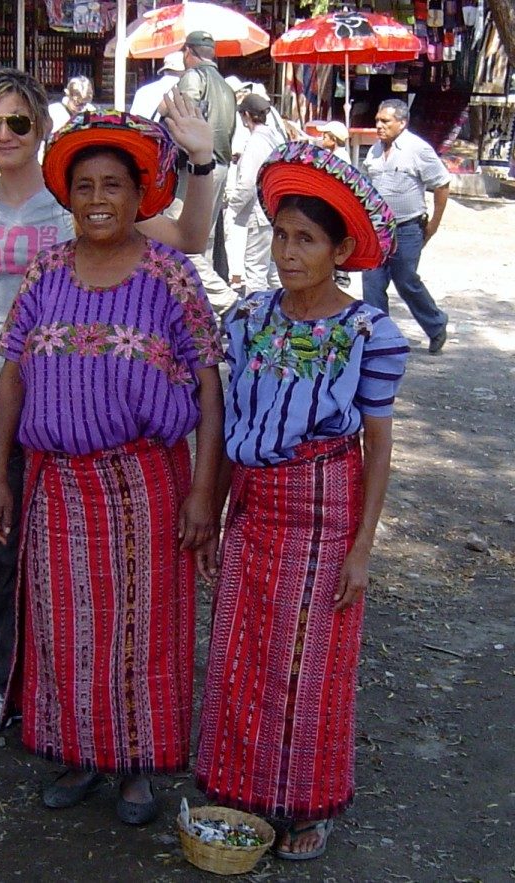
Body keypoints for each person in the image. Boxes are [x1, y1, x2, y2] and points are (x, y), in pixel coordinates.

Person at [0, 67, 218, 734]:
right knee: (4, 547)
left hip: (108, 421)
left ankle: (112, 731)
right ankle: (9, 685)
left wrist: (203, 158)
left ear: (41, 127)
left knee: (113, 584)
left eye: (18, 121)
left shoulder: (93, 210)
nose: (3, 134)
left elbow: (192, 241)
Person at [0, 111, 224, 825]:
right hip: (56, 483)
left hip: (146, 483)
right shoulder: (46, 270)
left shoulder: (170, 274)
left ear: (140, 193)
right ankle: (79, 752)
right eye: (84, 184)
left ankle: (135, 767)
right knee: (66, 626)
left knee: (142, 629)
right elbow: (13, 377)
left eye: (113, 185)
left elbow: (210, 385)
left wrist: (204, 490)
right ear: (67, 194)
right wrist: (0, 475)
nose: (97, 198)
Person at [196, 141, 410, 861]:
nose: (289, 253)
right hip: (253, 504)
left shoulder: (367, 333)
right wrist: (215, 510)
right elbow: (227, 426)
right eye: (282, 235)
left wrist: (362, 547)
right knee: (240, 645)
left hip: (325, 507)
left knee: (307, 656)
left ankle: (307, 801)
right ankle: (244, 787)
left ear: (341, 248)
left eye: (307, 239)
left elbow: (376, 448)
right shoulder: (250, 319)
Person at [361, 98, 450, 355]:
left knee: (406, 281)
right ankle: (380, 337)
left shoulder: (418, 149)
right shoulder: (374, 151)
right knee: (372, 284)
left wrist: (433, 224)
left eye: (385, 121)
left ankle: (436, 324)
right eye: (377, 120)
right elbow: (366, 187)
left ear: (402, 123)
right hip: (377, 229)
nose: (379, 125)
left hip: (408, 228)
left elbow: (442, 184)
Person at [174, 31, 239, 312]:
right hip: (220, 164)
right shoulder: (225, 86)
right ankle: (204, 310)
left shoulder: (193, 77)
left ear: (189, 52)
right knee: (205, 240)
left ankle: (228, 303)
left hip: (197, 166)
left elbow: (184, 120)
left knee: (182, 237)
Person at [227, 92, 286, 296]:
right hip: (275, 210)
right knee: (272, 269)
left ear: (246, 116)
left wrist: (232, 205)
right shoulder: (273, 137)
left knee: (255, 270)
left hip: (259, 213)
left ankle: (256, 314)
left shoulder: (255, 143)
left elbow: (247, 184)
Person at [129, 51, 183, 120]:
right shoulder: (182, 91)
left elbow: (132, 119)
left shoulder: (142, 91)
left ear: (164, 70)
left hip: (141, 129)